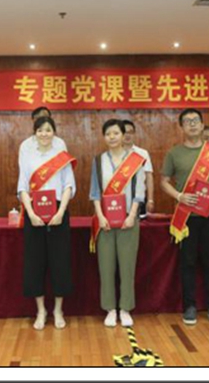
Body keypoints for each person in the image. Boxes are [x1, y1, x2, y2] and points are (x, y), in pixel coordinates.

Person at [161, 110, 209, 326]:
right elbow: (164, 181)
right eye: (187, 122)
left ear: (201, 125)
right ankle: (189, 306)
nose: (192, 124)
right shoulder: (174, 153)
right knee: (187, 261)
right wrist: (179, 196)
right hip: (186, 215)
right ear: (181, 127)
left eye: (195, 121)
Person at [17, 116, 77, 330]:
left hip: (58, 212)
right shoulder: (28, 157)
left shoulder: (61, 157)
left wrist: (61, 212)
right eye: (40, 130)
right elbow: (22, 188)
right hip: (34, 213)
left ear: (54, 133)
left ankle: (58, 310)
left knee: (60, 262)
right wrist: (31, 213)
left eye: (48, 130)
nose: (44, 134)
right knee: (35, 262)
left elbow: (69, 186)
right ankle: (41, 310)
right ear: (35, 134)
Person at [90, 119, 146, 328]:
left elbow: (139, 192)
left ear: (123, 135)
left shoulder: (135, 160)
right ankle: (110, 309)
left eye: (115, 133)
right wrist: (100, 216)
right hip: (104, 221)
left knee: (127, 266)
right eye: (108, 134)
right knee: (106, 267)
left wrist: (132, 216)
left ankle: (125, 308)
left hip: (128, 220)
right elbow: (95, 192)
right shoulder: (98, 161)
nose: (112, 137)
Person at [122, 120, 155, 217]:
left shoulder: (142, 153)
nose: (127, 135)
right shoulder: (113, 154)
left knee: (139, 225)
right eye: (124, 132)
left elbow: (149, 177)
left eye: (130, 132)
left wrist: (150, 199)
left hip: (138, 199)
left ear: (134, 134)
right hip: (119, 200)